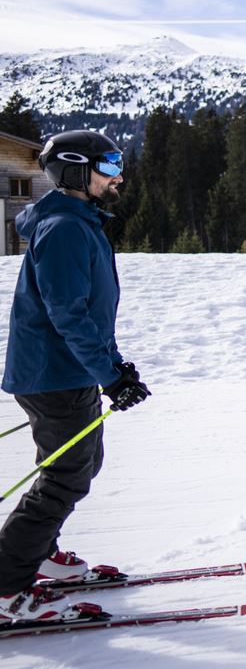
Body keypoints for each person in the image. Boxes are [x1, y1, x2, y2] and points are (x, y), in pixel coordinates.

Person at [0, 131, 150, 623]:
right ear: (74, 170)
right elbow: (67, 314)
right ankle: (7, 588)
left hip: (66, 370)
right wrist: (109, 375)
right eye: (108, 165)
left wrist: (114, 367)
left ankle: (39, 554)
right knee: (64, 477)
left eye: (118, 163)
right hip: (54, 374)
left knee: (80, 467)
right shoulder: (64, 227)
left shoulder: (77, 221)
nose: (117, 176)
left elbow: (91, 313)